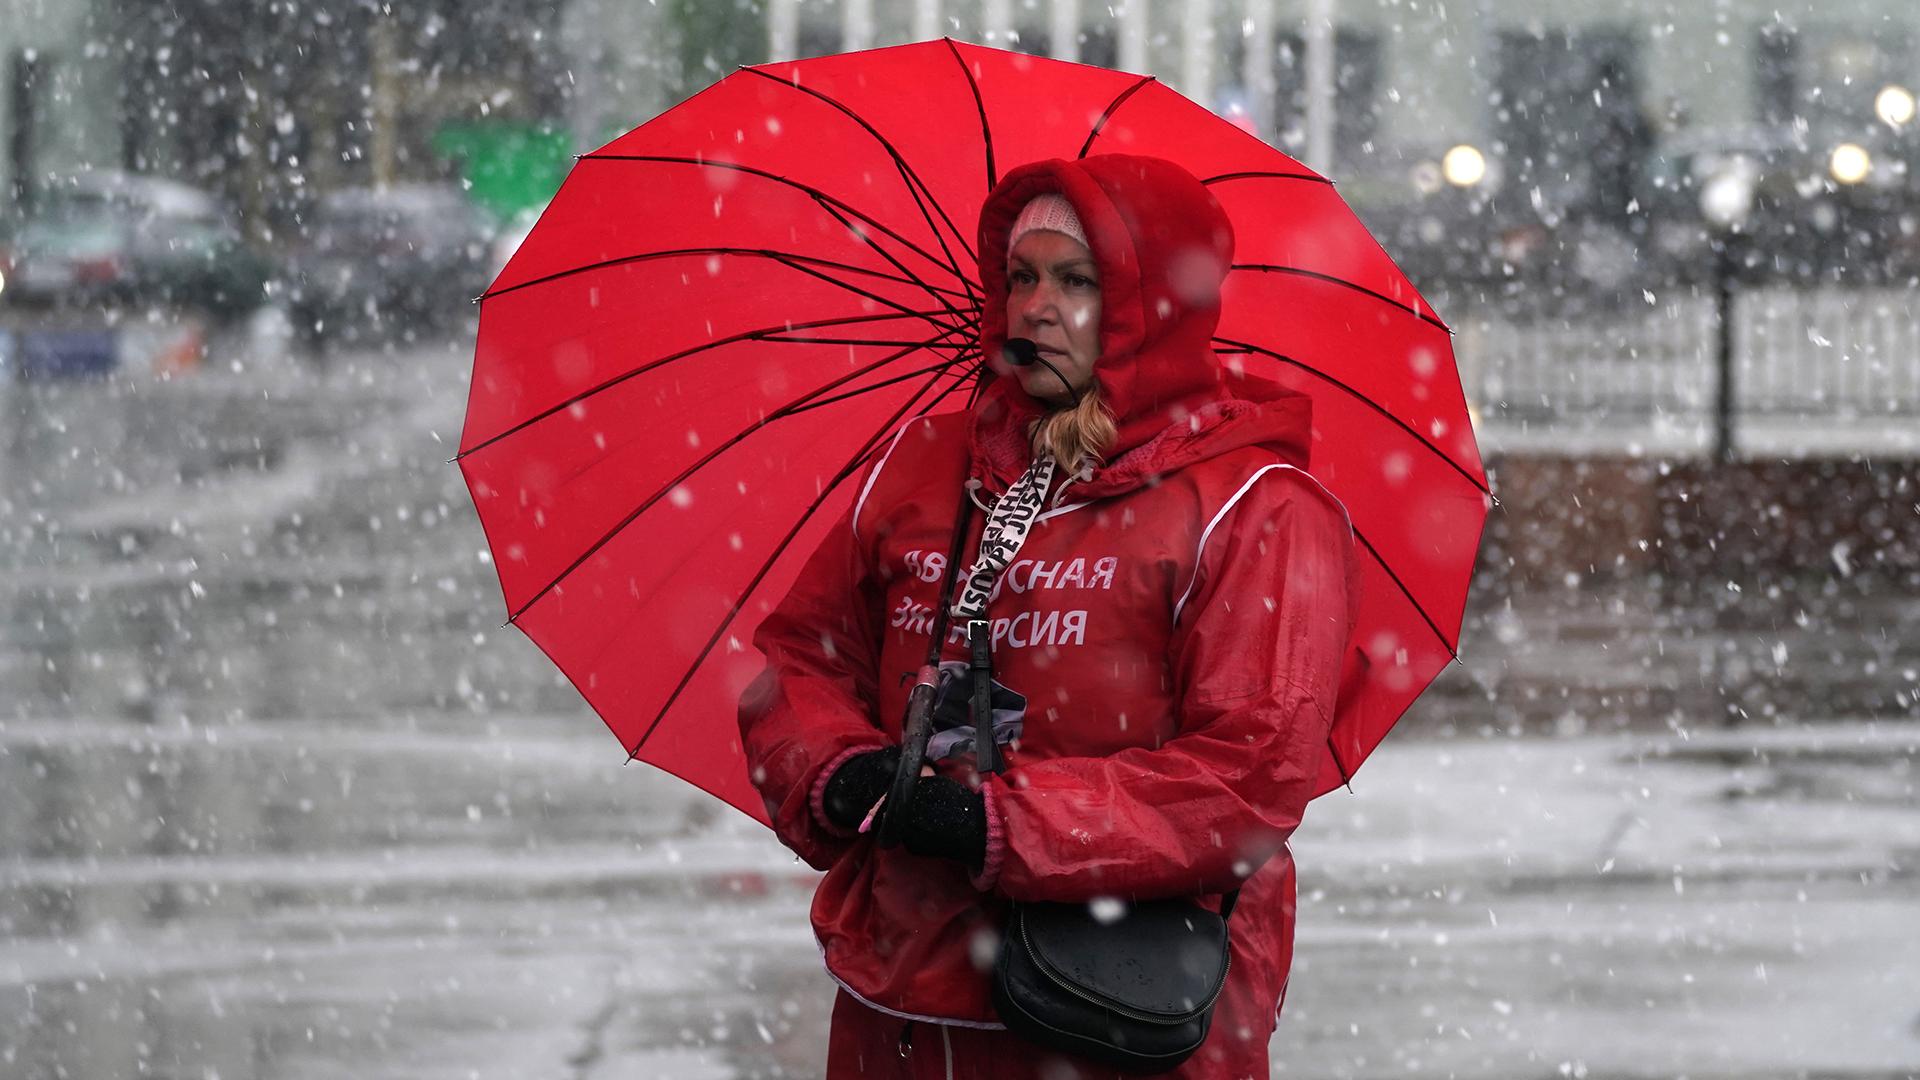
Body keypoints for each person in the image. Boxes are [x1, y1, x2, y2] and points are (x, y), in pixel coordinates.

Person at [738, 153, 1360, 1079]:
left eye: (1077, 281)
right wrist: (837, 769)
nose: (1034, 308)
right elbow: (802, 658)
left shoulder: (1257, 508)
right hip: (903, 997)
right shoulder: (924, 467)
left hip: (1118, 1009)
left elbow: (1247, 775)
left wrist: (997, 823)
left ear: (1152, 308)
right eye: (1020, 277)